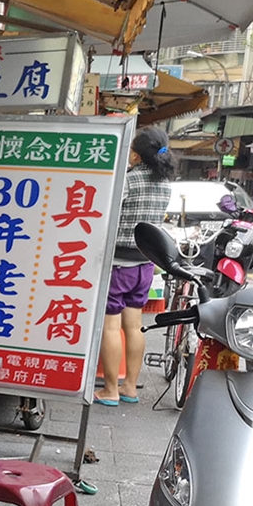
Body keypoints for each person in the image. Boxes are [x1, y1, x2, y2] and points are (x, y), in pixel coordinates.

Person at [95, 126, 175, 405]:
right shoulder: (165, 184)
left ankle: (110, 390)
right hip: (145, 265)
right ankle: (130, 386)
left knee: (110, 326)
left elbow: (105, 214)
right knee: (135, 326)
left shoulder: (128, 182)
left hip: (119, 264)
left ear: (138, 155)